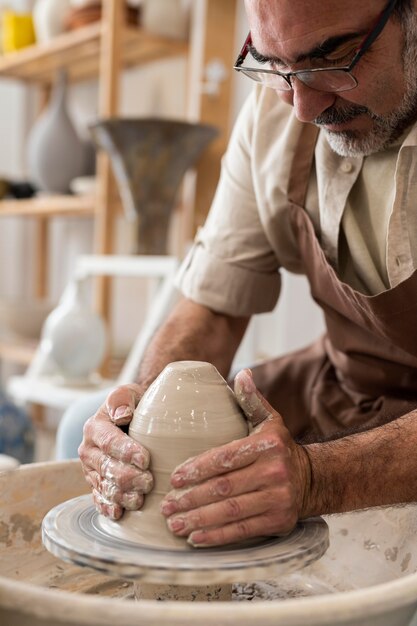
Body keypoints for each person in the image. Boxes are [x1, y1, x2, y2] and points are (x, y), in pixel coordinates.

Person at [78, 0, 417, 548]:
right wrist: (141, 420)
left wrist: (317, 480)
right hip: (345, 386)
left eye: (334, 58)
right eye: (273, 64)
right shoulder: (279, 107)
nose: (303, 106)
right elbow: (212, 306)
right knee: (81, 423)